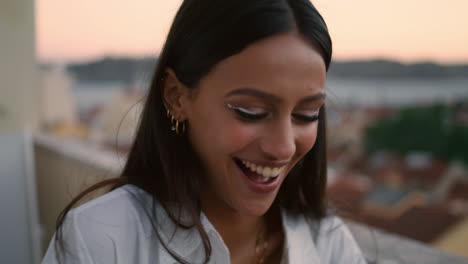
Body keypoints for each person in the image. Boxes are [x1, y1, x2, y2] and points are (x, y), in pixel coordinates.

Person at [42, 0, 367, 263]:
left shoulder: (329, 246)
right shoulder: (101, 240)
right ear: (176, 97)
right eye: (251, 112)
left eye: (306, 114)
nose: (282, 148)